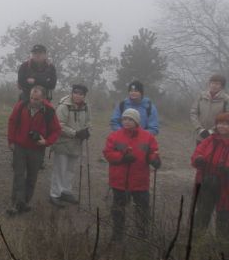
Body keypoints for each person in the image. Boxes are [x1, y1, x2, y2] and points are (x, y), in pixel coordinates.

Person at [103, 108, 161, 241]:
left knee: (143, 210)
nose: (127, 122)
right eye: (124, 119)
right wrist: (122, 158)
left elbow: (154, 152)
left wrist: (154, 160)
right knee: (118, 210)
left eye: (130, 119)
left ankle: (142, 234)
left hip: (140, 181)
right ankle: (117, 234)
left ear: (137, 121)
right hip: (119, 180)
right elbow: (107, 153)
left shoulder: (148, 137)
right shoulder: (114, 136)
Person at [6, 86, 62, 215]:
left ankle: (24, 202)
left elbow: (57, 130)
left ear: (43, 98)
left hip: (37, 149)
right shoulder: (21, 106)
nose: (33, 100)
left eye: (36, 99)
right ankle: (16, 203)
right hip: (20, 146)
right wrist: (11, 141)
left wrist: (46, 142)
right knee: (18, 175)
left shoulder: (49, 111)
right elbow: (12, 122)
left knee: (32, 177)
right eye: (31, 97)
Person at [50, 84, 91, 207]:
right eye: (76, 93)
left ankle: (65, 191)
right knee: (60, 169)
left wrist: (87, 132)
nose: (78, 96)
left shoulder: (86, 107)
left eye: (81, 94)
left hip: (76, 143)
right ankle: (55, 194)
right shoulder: (64, 106)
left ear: (84, 96)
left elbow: (89, 122)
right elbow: (58, 125)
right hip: (63, 142)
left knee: (70, 169)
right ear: (72, 93)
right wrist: (75, 133)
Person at [190, 111, 229, 237]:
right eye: (220, 123)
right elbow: (196, 155)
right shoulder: (209, 140)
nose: (222, 126)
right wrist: (199, 160)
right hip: (206, 183)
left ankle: (221, 249)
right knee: (201, 215)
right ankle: (195, 244)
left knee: (224, 219)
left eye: (226, 124)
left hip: (225, 187)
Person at [190, 74, 229, 143]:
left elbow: (227, 118)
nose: (214, 85)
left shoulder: (226, 99)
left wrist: (212, 131)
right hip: (200, 134)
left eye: (217, 84)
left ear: (222, 86)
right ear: (209, 84)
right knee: (199, 153)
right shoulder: (201, 96)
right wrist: (199, 128)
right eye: (212, 83)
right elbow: (193, 112)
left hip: (217, 136)